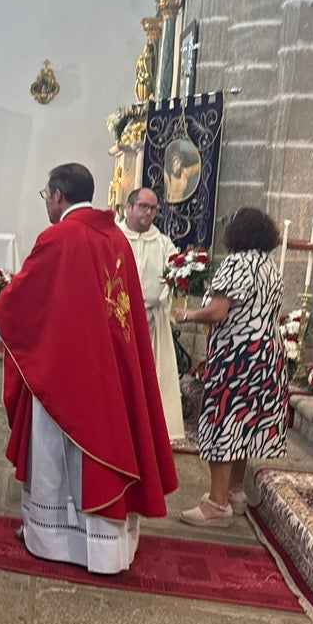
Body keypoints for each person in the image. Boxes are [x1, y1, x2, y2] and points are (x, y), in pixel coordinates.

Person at [0, 163, 178, 574]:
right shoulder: (116, 238)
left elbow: (25, 299)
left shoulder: (60, 237)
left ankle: (57, 539)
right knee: (103, 445)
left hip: (67, 371)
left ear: (58, 195)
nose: (47, 205)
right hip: (110, 366)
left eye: (46, 197)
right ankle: (106, 548)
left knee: (58, 452)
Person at [176, 207, 288, 526]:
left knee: (223, 423)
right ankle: (235, 493)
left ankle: (216, 504)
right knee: (244, 424)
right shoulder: (268, 266)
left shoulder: (236, 263)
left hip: (238, 357)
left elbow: (218, 312)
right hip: (267, 356)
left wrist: (186, 315)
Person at [117, 187, 185, 442]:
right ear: (129, 207)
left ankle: (148, 427)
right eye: (144, 206)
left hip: (152, 321)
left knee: (152, 377)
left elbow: (176, 276)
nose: (149, 213)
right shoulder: (114, 237)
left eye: (153, 208)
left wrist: (166, 298)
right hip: (119, 318)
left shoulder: (163, 243)